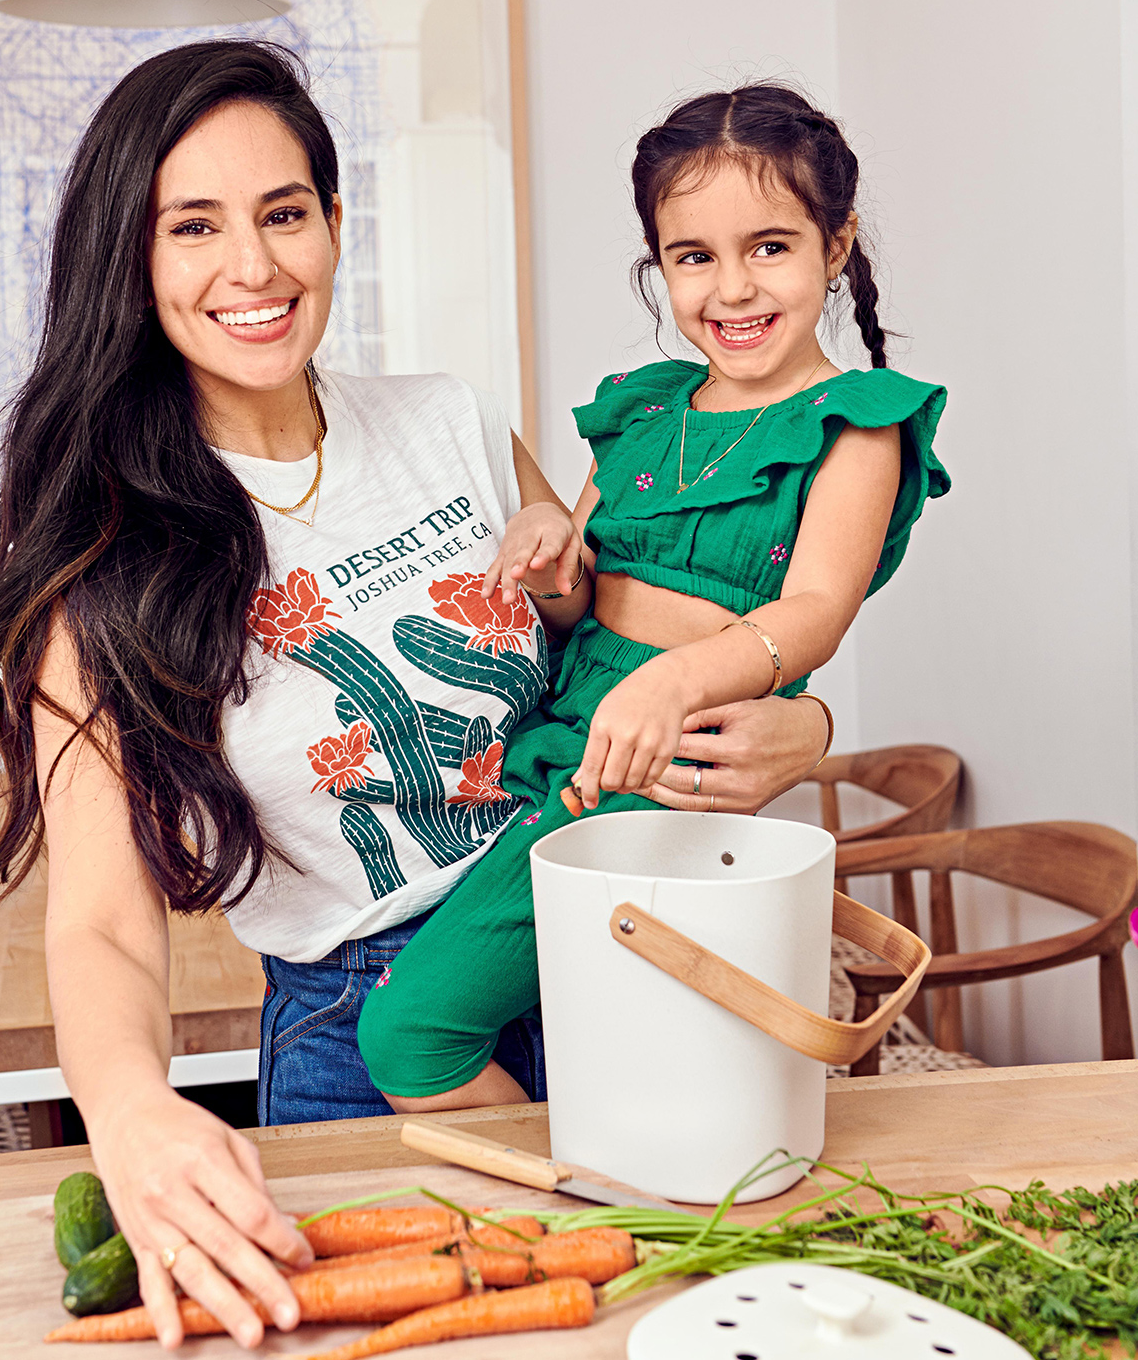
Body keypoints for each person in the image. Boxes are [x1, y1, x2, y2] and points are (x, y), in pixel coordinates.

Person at [0, 42, 831, 1350]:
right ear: (128, 258)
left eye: (283, 212)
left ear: (335, 223)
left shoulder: (455, 426)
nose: (251, 266)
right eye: (193, 225)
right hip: (369, 1030)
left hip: (613, 947)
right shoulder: (102, 555)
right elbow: (103, 925)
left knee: (692, 1326)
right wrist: (130, 1108)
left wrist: (801, 727)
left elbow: (635, 653)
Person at [356, 84, 950, 1109]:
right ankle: (603, 1187)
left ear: (835, 246)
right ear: (658, 263)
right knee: (619, 1042)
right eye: (693, 257)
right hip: (561, 739)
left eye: (768, 246)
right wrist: (548, 556)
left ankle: (581, 1201)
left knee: (410, 1031)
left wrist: (672, 686)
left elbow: (812, 610)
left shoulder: (857, 424)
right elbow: (579, 603)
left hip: (664, 765)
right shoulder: (641, 410)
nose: (731, 290)